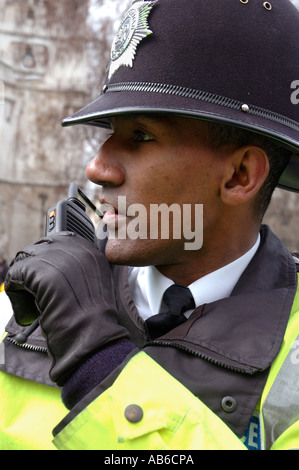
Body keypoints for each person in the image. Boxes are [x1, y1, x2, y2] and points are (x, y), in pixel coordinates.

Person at [0, 0, 299, 451]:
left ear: (240, 176)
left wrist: (97, 364)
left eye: (141, 135)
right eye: (107, 133)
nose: (97, 167)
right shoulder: (17, 315)